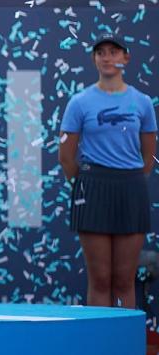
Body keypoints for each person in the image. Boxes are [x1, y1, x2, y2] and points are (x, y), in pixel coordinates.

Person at [59, 35, 157, 309]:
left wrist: (129, 178)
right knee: (100, 279)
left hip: (131, 188)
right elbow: (66, 156)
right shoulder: (79, 103)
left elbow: (148, 155)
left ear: (126, 58)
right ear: (94, 60)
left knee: (125, 280)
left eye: (114, 52)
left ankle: (123, 348)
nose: (107, 57)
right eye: (101, 52)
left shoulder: (143, 102)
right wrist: (87, 183)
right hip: (91, 188)